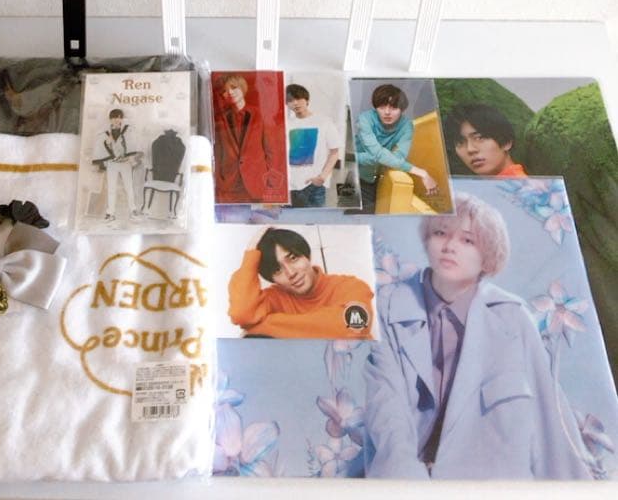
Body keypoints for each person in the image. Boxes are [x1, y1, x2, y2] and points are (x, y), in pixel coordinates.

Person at [364, 193, 591, 480]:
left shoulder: (513, 318)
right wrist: (411, 486)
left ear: (488, 257)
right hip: (408, 479)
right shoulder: (389, 307)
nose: (449, 247)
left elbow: (548, 418)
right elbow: (386, 408)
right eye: (440, 233)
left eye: (467, 240)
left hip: (491, 481)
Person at [228, 228, 373, 339]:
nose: (291, 273)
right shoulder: (274, 298)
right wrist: (250, 255)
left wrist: (264, 326)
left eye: (293, 258)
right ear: (271, 278)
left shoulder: (350, 286)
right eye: (277, 270)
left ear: (307, 256)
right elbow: (242, 314)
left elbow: (354, 328)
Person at [354, 84, 439, 211]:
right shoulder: (364, 119)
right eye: (382, 107)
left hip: (373, 181)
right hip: (353, 172)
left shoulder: (406, 126)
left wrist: (374, 158)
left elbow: (398, 157)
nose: (387, 112)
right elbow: (377, 154)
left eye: (394, 107)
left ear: (402, 109)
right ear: (376, 107)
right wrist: (421, 172)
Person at [213, 74, 284, 204]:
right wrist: (219, 179)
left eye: (233, 87)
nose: (230, 92)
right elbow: (217, 152)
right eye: (225, 91)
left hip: (256, 182)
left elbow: (272, 150)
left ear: (242, 88)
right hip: (228, 184)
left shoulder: (261, 115)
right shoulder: (219, 119)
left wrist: (270, 180)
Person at [285, 83, 340, 207]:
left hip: (314, 185)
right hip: (291, 186)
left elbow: (335, 152)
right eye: (290, 100)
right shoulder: (286, 124)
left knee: (316, 218)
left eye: (298, 98)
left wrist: (322, 177)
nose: (295, 103)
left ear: (307, 100)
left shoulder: (324, 122)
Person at [443, 104, 527, 177]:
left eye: (479, 138)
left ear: (506, 142)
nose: (470, 149)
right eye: (460, 142)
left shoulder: (522, 187)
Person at [97, 109, 141, 221]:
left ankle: (133, 211)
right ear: (110, 119)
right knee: (111, 188)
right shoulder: (105, 132)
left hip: (125, 163)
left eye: (119, 117)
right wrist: (107, 143)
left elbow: (132, 145)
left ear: (122, 118)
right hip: (112, 164)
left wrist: (129, 157)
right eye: (114, 117)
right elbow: (102, 149)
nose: (116, 120)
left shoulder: (128, 130)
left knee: (129, 187)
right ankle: (110, 213)